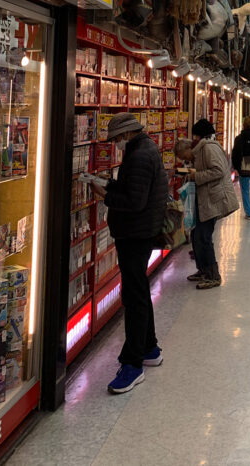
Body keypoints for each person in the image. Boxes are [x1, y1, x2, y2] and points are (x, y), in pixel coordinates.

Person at [90, 113, 168, 394]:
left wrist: (105, 195)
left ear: (126, 135)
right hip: (140, 232)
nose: (115, 145)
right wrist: (110, 184)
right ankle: (149, 348)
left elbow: (134, 201)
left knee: (133, 298)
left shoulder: (139, 156)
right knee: (139, 291)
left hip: (135, 234)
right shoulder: (144, 149)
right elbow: (137, 189)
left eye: (116, 139)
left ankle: (132, 364)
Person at [176, 120, 239, 289]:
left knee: (204, 237)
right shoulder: (199, 152)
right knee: (197, 236)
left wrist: (196, 176)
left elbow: (219, 171)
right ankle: (203, 269)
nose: (187, 160)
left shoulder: (209, 148)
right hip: (203, 199)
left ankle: (213, 275)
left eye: (185, 157)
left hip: (212, 199)